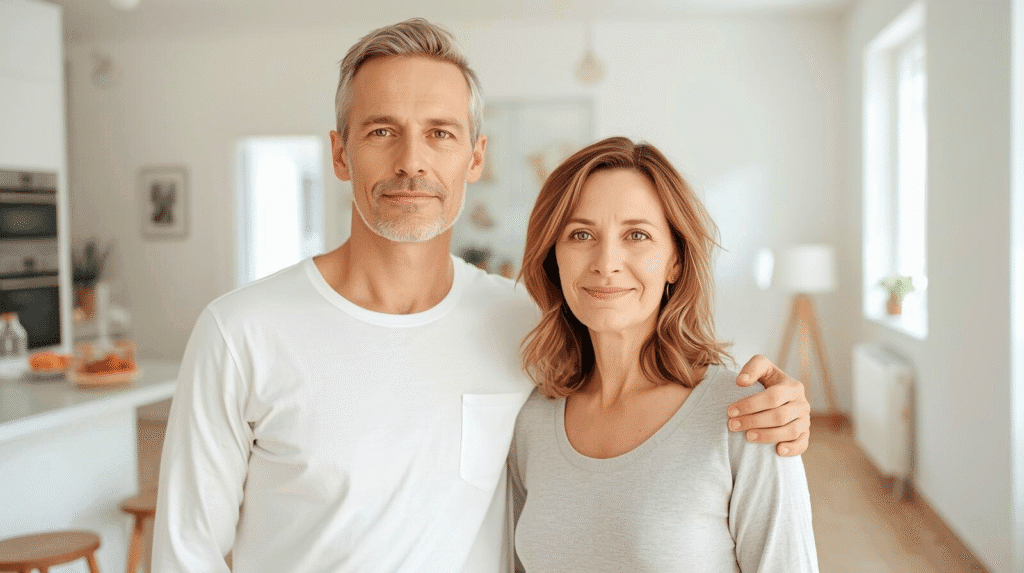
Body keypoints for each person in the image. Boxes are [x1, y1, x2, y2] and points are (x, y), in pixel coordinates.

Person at [152, 19, 811, 573]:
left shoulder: (522, 322)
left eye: (439, 132)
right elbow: (186, 553)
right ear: (340, 153)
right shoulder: (239, 332)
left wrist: (780, 405)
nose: (412, 161)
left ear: (475, 157)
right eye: (382, 130)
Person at [510, 137, 818, 572]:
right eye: (581, 234)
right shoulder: (532, 422)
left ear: (675, 260)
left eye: (636, 235)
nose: (606, 261)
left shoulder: (750, 416)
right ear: (553, 258)